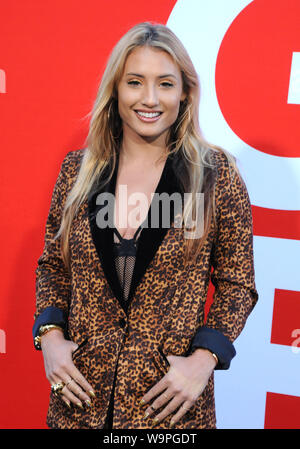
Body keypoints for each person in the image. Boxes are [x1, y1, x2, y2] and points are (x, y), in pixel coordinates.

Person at [32, 22, 258, 429]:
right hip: (79, 406)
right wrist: (49, 336)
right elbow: (53, 265)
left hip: (169, 413)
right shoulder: (77, 171)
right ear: (116, 90)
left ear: (185, 92)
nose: (150, 99)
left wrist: (204, 360)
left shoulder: (214, 175)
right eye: (135, 82)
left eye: (165, 84)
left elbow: (237, 283)